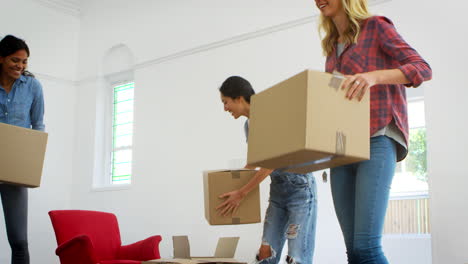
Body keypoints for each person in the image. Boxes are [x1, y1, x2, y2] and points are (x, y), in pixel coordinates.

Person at [314, 0, 432, 263]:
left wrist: (373, 76)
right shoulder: (332, 47)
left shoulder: (376, 27)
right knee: (353, 250)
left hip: (378, 136)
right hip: (343, 147)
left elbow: (422, 68)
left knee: (366, 248)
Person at [217, 76, 317, 264]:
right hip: (278, 192)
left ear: (239, 98)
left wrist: (242, 192)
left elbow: (273, 161)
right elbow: (256, 160)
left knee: (296, 257)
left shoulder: (271, 115)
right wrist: (232, 182)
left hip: (300, 190)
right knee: (265, 255)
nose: (225, 108)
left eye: (226, 102)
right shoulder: (248, 125)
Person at [0, 35, 45, 264]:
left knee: (19, 240)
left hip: (15, 170)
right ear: (1, 59)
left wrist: (33, 164)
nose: (20, 65)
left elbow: (38, 126)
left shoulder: (33, 86)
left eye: (24, 61)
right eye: (15, 60)